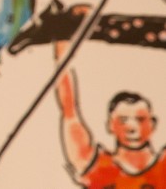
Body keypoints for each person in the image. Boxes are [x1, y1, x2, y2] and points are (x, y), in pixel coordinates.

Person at [55, 24, 166, 188]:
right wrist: (62, 34)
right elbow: (69, 110)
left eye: (140, 119)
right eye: (123, 120)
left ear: (153, 124)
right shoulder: (96, 167)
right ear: (110, 125)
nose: (132, 128)